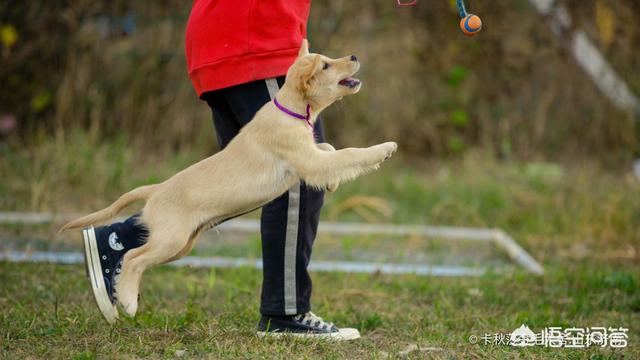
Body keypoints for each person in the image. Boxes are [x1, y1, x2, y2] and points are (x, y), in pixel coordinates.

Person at [81, 0, 360, 340]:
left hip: (223, 38)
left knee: (239, 186)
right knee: (300, 176)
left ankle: (120, 239)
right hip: (257, 39)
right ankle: (286, 313)